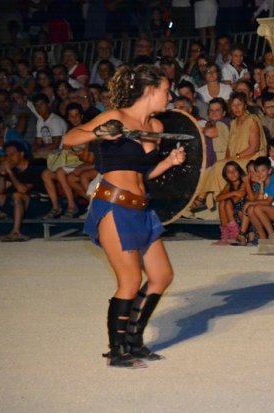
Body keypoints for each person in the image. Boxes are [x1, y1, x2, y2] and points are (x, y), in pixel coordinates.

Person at [62, 64, 186, 368]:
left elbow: (143, 172)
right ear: (150, 90)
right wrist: (99, 132)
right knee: (130, 279)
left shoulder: (155, 126)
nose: (169, 96)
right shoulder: (115, 117)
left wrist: (168, 163)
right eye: (166, 90)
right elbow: (69, 139)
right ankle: (117, 352)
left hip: (141, 208)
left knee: (161, 276)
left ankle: (134, 341)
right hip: (113, 206)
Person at [0, 141, 46, 242]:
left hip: (38, 203)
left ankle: (16, 232)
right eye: (7, 155)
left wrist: (10, 173)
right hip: (18, 204)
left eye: (12, 154)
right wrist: (2, 174)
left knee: (17, 195)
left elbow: (23, 190)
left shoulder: (34, 167)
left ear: (22, 153)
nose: (9, 157)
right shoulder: (14, 170)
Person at [213, 160, 246, 245]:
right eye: (229, 172)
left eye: (235, 170)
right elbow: (217, 198)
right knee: (222, 203)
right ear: (226, 176)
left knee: (227, 202)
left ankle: (235, 234)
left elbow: (237, 199)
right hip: (232, 214)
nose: (232, 173)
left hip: (242, 214)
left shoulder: (243, 183)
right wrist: (233, 192)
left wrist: (228, 195)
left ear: (239, 172)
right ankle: (225, 236)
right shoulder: (229, 185)